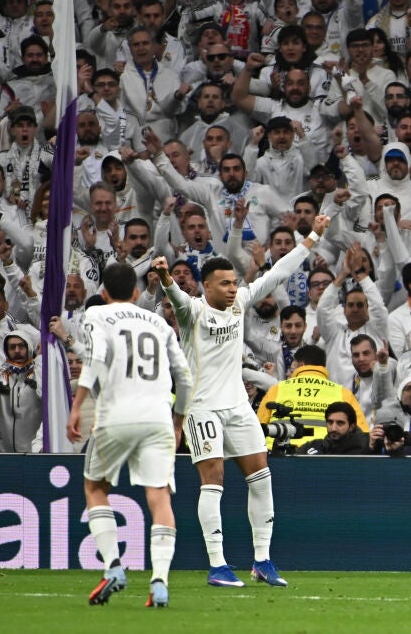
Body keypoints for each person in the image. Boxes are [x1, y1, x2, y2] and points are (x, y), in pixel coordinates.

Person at [151, 213, 331, 589]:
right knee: (212, 482)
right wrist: (167, 276)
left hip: (237, 407)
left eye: (235, 282)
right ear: (207, 287)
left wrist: (313, 236)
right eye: (225, 284)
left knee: (261, 478)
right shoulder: (193, 311)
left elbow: (278, 273)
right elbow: (173, 294)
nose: (233, 289)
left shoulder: (239, 304)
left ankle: (262, 561)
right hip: (202, 408)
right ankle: (217, 566)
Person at [68, 263, 194, 608]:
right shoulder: (158, 323)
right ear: (137, 294)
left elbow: (93, 361)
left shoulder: (96, 314)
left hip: (115, 415)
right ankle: (160, 582)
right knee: (159, 496)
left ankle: (112, 566)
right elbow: (185, 380)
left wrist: (77, 406)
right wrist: (178, 420)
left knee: (95, 487)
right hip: (157, 419)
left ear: (104, 293)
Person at [255, 344, 369, 451]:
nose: (289, 372)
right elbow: (362, 435)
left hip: (279, 455)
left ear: (301, 365)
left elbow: (258, 429)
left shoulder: (277, 389)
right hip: (325, 456)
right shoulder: (343, 393)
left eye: (292, 367)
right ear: (323, 366)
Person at [300, 402, 370, 455]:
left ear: (351, 427)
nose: (334, 428)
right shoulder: (313, 446)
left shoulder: (365, 451)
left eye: (340, 423)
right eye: (330, 422)